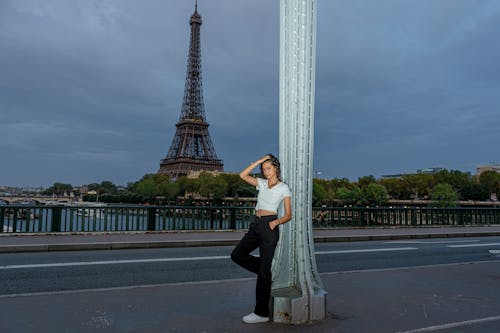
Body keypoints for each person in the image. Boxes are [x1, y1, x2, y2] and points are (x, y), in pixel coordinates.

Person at [231, 154, 292, 324]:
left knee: (264, 273)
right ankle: (265, 270)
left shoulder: (283, 188)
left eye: (269, 168)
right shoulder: (262, 184)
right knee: (237, 255)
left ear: (276, 168)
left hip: (269, 226)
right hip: (256, 225)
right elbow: (242, 176)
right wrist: (257, 161)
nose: (266, 172)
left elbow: (289, 215)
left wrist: (275, 222)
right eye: (264, 169)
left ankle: (261, 313)